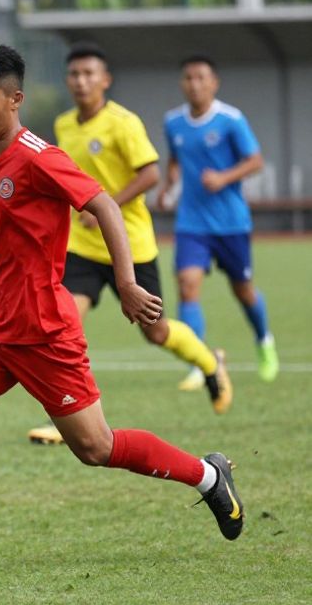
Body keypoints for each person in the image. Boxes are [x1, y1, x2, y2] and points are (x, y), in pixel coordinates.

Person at [0, 45, 245, 576]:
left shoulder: (39, 156)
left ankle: (207, 476)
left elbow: (104, 204)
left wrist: (127, 283)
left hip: (44, 332)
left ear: (15, 99)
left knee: (96, 447)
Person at [26, 43, 231, 447]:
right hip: (83, 246)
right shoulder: (65, 124)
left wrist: (105, 206)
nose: (81, 81)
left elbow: (151, 175)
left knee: (155, 333)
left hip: (130, 246)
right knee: (60, 321)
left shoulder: (123, 123)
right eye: (74, 74)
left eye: (89, 74)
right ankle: (69, 417)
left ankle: (210, 362)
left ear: (105, 80)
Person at [158, 54, 278, 386]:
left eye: (200, 77)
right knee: (187, 286)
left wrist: (224, 178)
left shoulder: (230, 120)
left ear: (214, 82)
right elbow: (175, 160)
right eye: (188, 78)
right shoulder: (173, 122)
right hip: (191, 223)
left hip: (230, 223)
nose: (194, 84)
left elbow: (255, 161)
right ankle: (200, 363)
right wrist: (170, 186)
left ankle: (264, 339)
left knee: (243, 291)